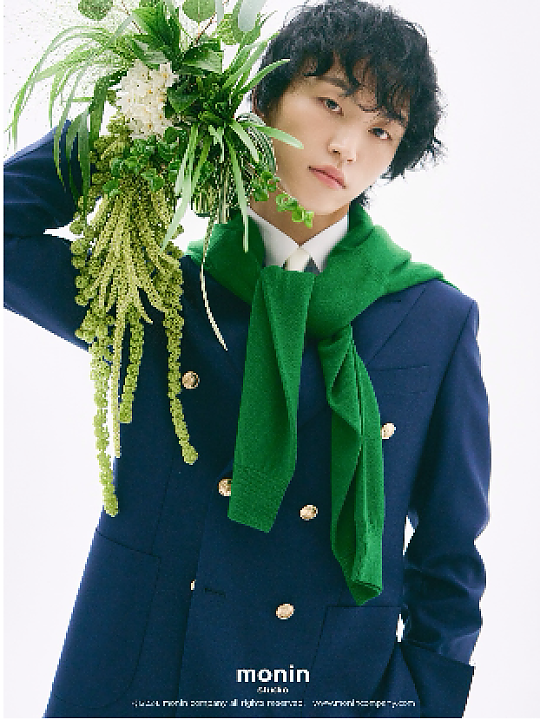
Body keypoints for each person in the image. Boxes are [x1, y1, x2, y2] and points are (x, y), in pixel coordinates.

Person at [3, 0, 490, 717]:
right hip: (143, 671)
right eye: (330, 103)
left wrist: (418, 702)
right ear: (262, 100)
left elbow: (450, 550)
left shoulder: (432, 320)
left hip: (329, 686)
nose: (346, 147)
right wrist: (139, 116)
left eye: (380, 130)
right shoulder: (158, 289)